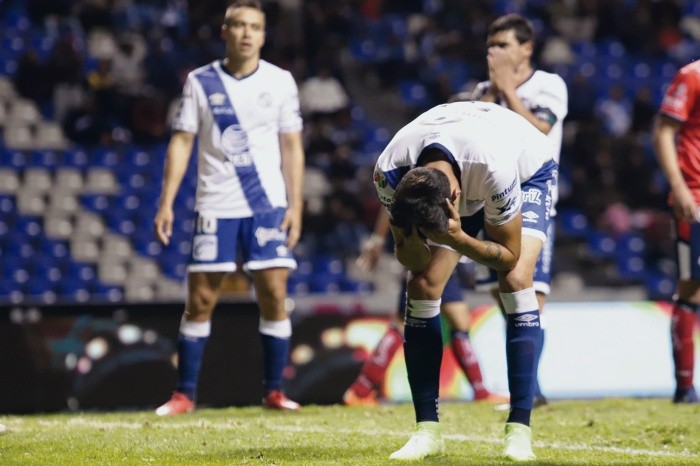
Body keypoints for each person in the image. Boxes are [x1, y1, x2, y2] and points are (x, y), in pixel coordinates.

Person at [374, 101, 557, 461]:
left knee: (516, 280)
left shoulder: (494, 168)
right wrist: (413, 243)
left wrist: (458, 239)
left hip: (526, 169)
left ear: (455, 199)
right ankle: (427, 431)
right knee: (422, 286)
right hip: (461, 163)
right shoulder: (389, 175)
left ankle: (519, 429)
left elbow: (509, 255)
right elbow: (412, 260)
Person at [153, 0, 305, 415]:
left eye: (254, 26)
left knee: (274, 292)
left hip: (266, 204)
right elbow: (182, 140)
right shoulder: (200, 82)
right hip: (215, 203)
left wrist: (296, 204)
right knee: (201, 299)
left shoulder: (281, 82)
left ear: (264, 35)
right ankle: (184, 394)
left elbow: (292, 145)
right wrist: (166, 202)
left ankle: (274, 391)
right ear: (225, 31)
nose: (246, 33)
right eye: (238, 25)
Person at [464, 13, 568, 408]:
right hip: (489, 201)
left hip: (533, 197)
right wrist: (495, 91)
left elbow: (540, 129)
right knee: (504, 297)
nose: (495, 52)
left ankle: (529, 391)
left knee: (528, 292)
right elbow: (472, 137)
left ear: (526, 49)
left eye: (503, 44)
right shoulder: (482, 91)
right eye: (491, 45)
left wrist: (509, 90)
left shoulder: (548, 85)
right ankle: (529, 387)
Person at [343, 208, 508, 406]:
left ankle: (481, 392)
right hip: (429, 250)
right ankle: (360, 390)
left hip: (438, 249)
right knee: (409, 323)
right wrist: (378, 241)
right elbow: (390, 204)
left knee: (456, 320)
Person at [652, 58, 700, 404]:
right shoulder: (692, 75)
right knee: (691, 289)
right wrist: (679, 187)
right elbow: (664, 132)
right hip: (696, 197)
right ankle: (684, 388)